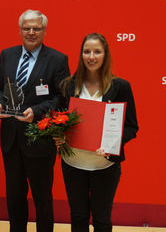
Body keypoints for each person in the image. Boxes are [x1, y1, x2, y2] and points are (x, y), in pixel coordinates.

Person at [0, 10, 70, 232]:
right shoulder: (7, 55)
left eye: (36, 28)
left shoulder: (57, 59)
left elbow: (61, 98)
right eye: (26, 28)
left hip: (40, 140)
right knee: (15, 197)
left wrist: (36, 112)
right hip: (11, 140)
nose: (31, 32)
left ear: (44, 31)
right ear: (20, 30)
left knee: (42, 199)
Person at [57, 33, 138, 232]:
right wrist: (57, 136)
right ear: (81, 55)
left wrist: (113, 145)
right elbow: (58, 120)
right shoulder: (68, 85)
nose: (91, 56)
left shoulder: (120, 86)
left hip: (105, 165)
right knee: (78, 218)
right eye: (87, 51)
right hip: (73, 163)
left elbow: (131, 127)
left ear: (105, 55)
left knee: (102, 220)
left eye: (97, 52)